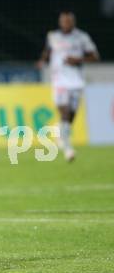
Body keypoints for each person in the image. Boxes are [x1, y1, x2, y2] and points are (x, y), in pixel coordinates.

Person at [37, 11, 99, 162]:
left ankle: (61, 132)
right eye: (63, 21)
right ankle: (68, 148)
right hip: (59, 80)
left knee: (71, 115)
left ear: (73, 22)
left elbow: (95, 56)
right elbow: (48, 51)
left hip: (76, 81)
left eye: (68, 21)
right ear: (60, 22)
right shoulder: (52, 36)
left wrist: (78, 59)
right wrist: (42, 61)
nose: (66, 24)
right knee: (64, 112)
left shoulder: (82, 37)